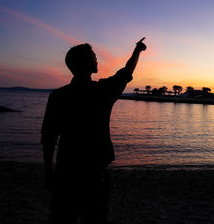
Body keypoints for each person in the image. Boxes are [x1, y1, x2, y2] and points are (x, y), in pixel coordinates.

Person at [41, 38, 147, 223]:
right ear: (87, 64)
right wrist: (137, 50)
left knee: (62, 217)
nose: (97, 61)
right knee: (94, 218)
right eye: (94, 58)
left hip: (66, 171)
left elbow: (49, 137)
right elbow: (126, 72)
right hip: (94, 172)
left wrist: (48, 170)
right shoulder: (102, 92)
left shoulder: (58, 96)